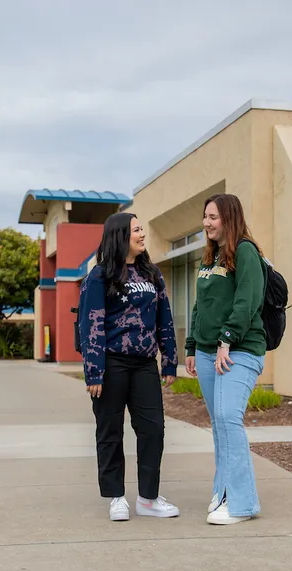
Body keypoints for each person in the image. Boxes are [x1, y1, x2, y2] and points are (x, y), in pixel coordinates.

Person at [78, 212, 180, 522]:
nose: (142, 235)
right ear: (120, 235)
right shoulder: (100, 276)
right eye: (136, 230)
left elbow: (165, 318)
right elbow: (90, 323)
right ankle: (116, 497)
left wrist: (169, 360)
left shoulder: (152, 274)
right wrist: (94, 369)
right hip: (111, 364)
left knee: (153, 430)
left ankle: (148, 498)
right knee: (110, 432)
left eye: (142, 230)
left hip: (144, 364)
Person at [184, 193, 267, 525]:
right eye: (205, 217)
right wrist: (191, 346)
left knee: (229, 419)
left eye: (213, 217)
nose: (206, 223)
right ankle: (222, 491)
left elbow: (247, 301)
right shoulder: (210, 256)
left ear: (229, 218)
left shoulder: (245, 252)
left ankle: (241, 503)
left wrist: (226, 340)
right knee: (219, 423)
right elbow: (199, 305)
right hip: (207, 351)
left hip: (240, 349)